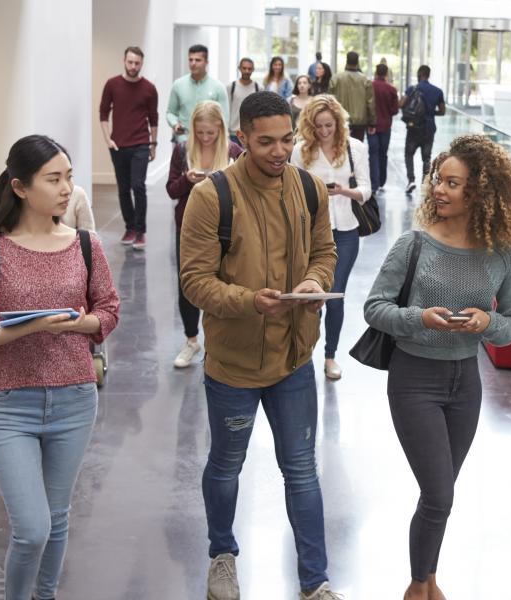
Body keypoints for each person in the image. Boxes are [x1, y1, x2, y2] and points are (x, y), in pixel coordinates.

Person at [179, 91, 341, 600]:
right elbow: (194, 281)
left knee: (301, 470)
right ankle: (221, 555)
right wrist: (251, 301)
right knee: (227, 466)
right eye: (266, 141)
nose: (279, 150)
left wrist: (315, 281)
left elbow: (324, 252)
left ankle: (316, 583)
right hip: (234, 364)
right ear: (242, 139)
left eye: (286, 139)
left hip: (294, 358)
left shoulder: (310, 189)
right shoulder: (212, 197)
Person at [363, 134, 511, 600]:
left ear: (479, 193)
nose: (439, 189)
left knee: (439, 495)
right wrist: (418, 318)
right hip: (414, 379)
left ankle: (428, 580)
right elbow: (374, 307)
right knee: (440, 494)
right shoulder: (413, 244)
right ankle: (418, 588)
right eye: (438, 180)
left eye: (452, 183)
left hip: (465, 383)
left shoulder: (501, 256)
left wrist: (487, 323)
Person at [0, 134, 121, 600]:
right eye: (54, 179)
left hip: (74, 396)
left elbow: (109, 311)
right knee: (31, 529)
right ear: (20, 187)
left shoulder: (86, 244)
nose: (67, 188)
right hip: (9, 402)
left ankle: (45, 595)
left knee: (57, 517)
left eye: (69, 176)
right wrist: (33, 328)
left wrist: (75, 324)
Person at [290, 95, 372, 381]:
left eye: (329, 125)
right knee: (311, 295)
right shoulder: (300, 151)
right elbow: (292, 190)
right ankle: (303, 355)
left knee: (334, 296)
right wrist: (316, 194)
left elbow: (366, 190)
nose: (325, 131)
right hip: (311, 231)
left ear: (338, 122)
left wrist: (344, 191)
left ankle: (329, 356)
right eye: (319, 126)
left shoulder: (356, 148)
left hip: (347, 230)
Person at [166, 101, 243, 370]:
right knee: (188, 284)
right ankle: (191, 340)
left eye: (210, 133)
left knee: (223, 282)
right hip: (189, 226)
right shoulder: (182, 150)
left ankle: (217, 342)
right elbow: (171, 191)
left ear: (220, 129)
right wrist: (188, 179)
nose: (205, 138)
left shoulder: (234, 151)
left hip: (226, 226)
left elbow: (247, 190)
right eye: (200, 133)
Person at [99, 45, 158, 250]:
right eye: (130, 62)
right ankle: (130, 227)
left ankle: (141, 231)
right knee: (123, 189)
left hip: (141, 142)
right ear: (124, 61)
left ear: (142, 63)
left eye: (137, 63)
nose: (133, 66)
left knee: (138, 186)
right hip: (118, 145)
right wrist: (108, 139)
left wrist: (153, 144)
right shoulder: (112, 85)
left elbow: (154, 118)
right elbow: (103, 113)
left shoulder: (149, 88)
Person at [167, 44, 229, 146]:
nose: (193, 63)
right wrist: (175, 124)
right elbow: (170, 113)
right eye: (190, 60)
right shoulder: (178, 85)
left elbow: (224, 118)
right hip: (184, 141)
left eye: (197, 60)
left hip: (209, 143)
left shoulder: (218, 87)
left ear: (206, 62)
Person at [402, 65, 446, 194]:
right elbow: (443, 111)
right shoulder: (437, 91)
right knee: (426, 158)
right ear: (428, 75)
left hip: (413, 128)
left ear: (419, 74)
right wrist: (431, 113)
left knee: (409, 154)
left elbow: (402, 104)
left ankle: (411, 180)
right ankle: (424, 184)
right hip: (429, 128)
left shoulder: (412, 89)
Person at [328, 51, 375, 141]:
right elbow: (370, 103)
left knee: (340, 148)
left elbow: (330, 99)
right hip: (359, 122)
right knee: (357, 150)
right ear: (357, 62)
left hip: (340, 119)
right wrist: (372, 122)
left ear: (347, 61)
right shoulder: (365, 80)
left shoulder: (336, 78)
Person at [368, 63, 400, 191]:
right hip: (386, 126)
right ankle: (382, 181)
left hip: (372, 126)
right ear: (386, 74)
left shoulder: (370, 87)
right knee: (383, 153)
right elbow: (395, 110)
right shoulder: (391, 89)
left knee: (373, 153)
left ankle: (374, 182)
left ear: (376, 73)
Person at [227, 57, 261, 145]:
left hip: (251, 133)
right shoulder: (231, 87)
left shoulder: (258, 88)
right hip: (233, 133)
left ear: (253, 70)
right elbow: (226, 109)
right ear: (239, 68)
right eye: (244, 68)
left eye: (249, 69)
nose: (246, 71)